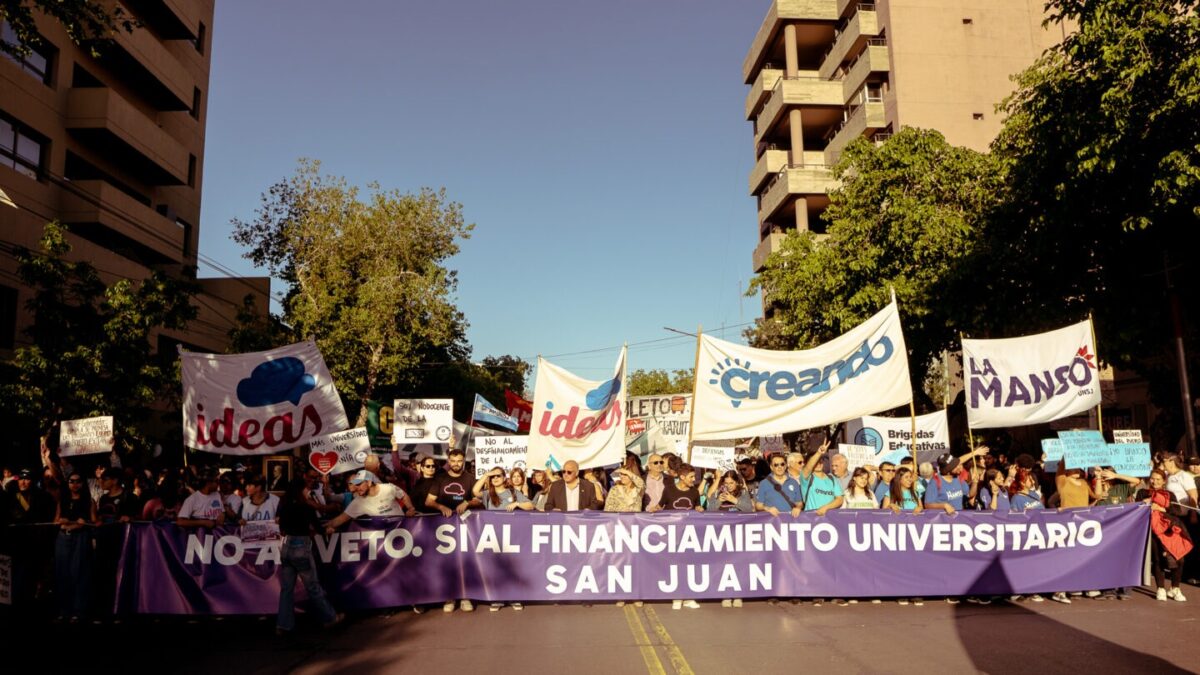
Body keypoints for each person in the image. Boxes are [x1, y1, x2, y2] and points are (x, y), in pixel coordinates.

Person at [276, 477, 343, 635]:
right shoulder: (306, 507)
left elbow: (282, 526)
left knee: (286, 589)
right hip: (301, 547)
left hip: (286, 547)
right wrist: (327, 530)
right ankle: (330, 617)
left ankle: (283, 625)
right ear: (300, 490)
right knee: (312, 587)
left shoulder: (284, 505)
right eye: (306, 488)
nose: (308, 490)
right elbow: (318, 528)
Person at [1137, 469, 1193, 602]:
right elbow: (1137, 509)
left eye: (1158, 479)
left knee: (1179, 559)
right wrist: (1146, 504)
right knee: (1158, 559)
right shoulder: (1142, 493)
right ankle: (1160, 589)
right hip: (1152, 530)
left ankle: (1175, 588)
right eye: (1152, 478)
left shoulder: (1169, 494)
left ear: (1163, 481)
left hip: (1170, 531)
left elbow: (1177, 511)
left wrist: (1161, 508)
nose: (1154, 481)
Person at [54, 471, 96, 621]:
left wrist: (85, 522)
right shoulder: (63, 500)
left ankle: (79, 611)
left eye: (78, 481)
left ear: (82, 483)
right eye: (71, 481)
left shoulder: (89, 501)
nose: (75, 484)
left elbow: (95, 522)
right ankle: (64, 610)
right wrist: (61, 521)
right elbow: (55, 521)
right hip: (63, 538)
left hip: (80, 538)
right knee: (62, 574)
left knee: (79, 573)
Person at [325, 470, 415, 534]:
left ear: (369, 482)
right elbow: (341, 518)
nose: (356, 487)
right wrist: (328, 526)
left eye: (359, 484)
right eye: (355, 484)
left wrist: (410, 508)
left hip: (403, 530)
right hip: (384, 538)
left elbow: (403, 496)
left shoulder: (389, 488)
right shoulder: (358, 502)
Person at [425, 448, 480, 518]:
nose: (456, 464)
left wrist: (467, 503)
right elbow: (429, 501)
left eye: (459, 461)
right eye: (453, 461)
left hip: (464, 520)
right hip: (443, 519)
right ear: (448, 461)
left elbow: (478, 501)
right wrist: (441, 507)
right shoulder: (440, 478)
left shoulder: (471, 478)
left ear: (463, 461)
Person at [800, 440, 843, 515]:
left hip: (829, 519)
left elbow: (840, 499)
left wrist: (826, 507)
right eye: (815, 462)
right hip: (811, 518)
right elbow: (808, 468)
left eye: (820, 461)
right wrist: (819, 453)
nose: (818, 464)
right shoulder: (807, 477)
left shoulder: (832, 479)